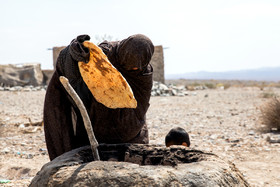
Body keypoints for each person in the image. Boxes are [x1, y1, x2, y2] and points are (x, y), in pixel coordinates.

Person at [44, 34, 154, 160]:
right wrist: (78, 51)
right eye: (130, 63)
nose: (135, 68)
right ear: (124, 53)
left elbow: (139, 103)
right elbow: (82, 64)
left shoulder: (145, 72)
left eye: (138, 67)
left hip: (130, 132)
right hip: (99, 120)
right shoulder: (106, 54)